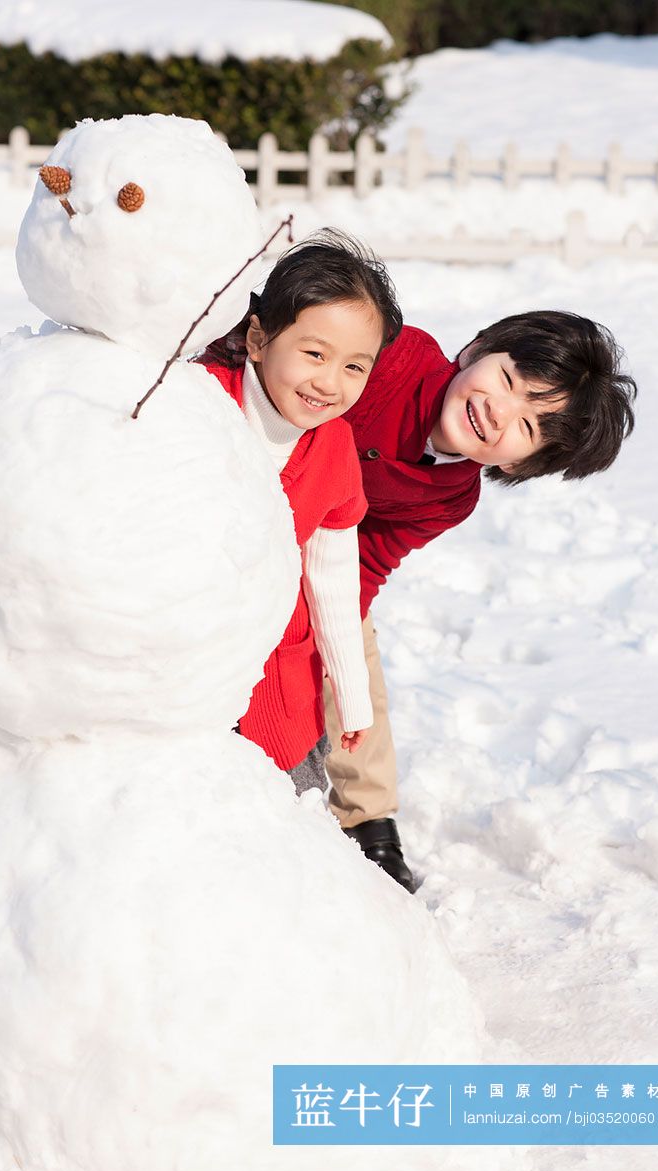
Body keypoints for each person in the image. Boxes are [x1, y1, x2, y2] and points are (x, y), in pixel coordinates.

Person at [322, 310, 637, 893]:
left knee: (353, 660)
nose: (499, 412)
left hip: (319, 563)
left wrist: (331, 628)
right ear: (475, 349)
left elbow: (370, 558)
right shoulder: (391, 358)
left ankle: (368, 818)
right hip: (254, 496)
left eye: (527, 426)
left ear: (520, 463)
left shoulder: (450, 498)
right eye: (509, 381)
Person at [201, 231, 403, 798]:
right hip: (188, 660)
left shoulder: (334, 450)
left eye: (354, 367)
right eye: (315, 354)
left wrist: (352, 692)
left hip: (277, 676)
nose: (329, 383)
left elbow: (332, 579)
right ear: (258, 339)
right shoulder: (201, 404)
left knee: (283, 810)